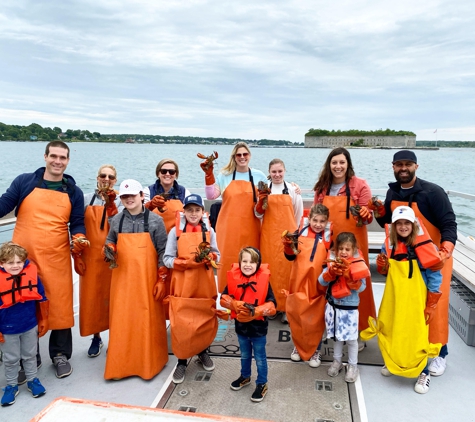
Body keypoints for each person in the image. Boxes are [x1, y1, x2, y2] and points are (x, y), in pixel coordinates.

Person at [0, 141, 86, 379]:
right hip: (21, 257)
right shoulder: (25, 181)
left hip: (57, 255)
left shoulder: (73, 192)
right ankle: (30, 357)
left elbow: (77, 221)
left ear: (68, 161)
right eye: (54, 156)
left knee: (59, 303)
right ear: (45, 156)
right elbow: (5, 203)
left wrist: (79, 237)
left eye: (63, 157)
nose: (58, 161)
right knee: (22, 302)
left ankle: (60, 355)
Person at [375, 150, 457, 377]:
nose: (403, 168)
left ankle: (439, 353)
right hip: (404, 264)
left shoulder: (434, 193)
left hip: (433, 262)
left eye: (408, 164)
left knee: (435, 310)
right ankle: (403, 353)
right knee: (403, 310)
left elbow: (449, 224)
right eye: (399, 164)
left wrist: (445, 251)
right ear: (393, 167)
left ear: (416, 167)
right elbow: (388, 222)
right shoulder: (392, 192)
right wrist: (379, 211)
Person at [363, 206, 443, 394]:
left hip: (417, 296)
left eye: (407, 223)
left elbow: (434, 273)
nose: (403, 227)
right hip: (395, 296)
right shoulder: (388, 244)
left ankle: (423, 372)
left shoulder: (425, 245)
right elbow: (388, 273)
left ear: (413, 225)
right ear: (394, 226)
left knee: (417, 333)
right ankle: (393, 362)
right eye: (399, 223)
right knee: (393, 328)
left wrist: (432, 301)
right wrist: (383, 269)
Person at [103, 179, 168, 380]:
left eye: (132, 195)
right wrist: (109, 249)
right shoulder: (116, 220)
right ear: (121, 199)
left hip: (147, 280)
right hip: (122, 280)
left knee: (147, 319)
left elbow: (162, 252)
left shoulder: (156, 221)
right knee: (122, 319)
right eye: (124, 196)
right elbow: (110, 241)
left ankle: (150, 364)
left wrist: (161, 280)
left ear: (142, 196)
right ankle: (120, 365)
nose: (129, 199)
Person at [313, 147, 376, 334]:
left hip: (354, 243)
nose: (338, 166)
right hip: (329, 242)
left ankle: (360, 328)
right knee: (328, 279)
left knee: (356, 282)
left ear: (348, 164)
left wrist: (366, 213)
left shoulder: (360, 185)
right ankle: (327, 324)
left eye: (342, 162)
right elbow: (317, 216)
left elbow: (369, 218)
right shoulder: (321, 187)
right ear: (329, 165)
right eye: (334, 162)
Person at [163, 194, 224, 384]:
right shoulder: (175, 232)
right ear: (184, 212)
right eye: (189, 210)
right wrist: (182, 263)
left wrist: (212, 259)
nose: (194, 213)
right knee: (181, 323)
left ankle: (202, 352)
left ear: (202, 211)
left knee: (204, 319)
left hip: (203, 284)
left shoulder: (209, 232)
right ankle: (182, 361)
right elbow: (167, 258)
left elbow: (217, 254)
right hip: (182, 284)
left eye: (197, 210)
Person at [201, 142, 268, 292]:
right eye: (239, 155)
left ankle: (250, 298)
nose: (242, 157)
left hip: (252, 227)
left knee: (251, 262)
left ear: (249, 156)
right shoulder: (224, 175)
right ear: (234, 157)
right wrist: (208, 175)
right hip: (228, 228)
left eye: (245, 154)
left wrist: (293, 188)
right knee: (227, 262)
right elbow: (211, 195)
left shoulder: (259, 176)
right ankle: (227, 298)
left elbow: (271, 193)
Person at [220, 247, 276, 403]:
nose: (248, 265)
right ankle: (245, 376)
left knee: (260, 358)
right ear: (239, 263)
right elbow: (223, 298)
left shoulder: (265, 282)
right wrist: (234, 304)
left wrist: (257, 312)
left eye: (252, 262)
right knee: (244, 355)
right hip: (241, 328)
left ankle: (262, 383)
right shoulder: (234, 279)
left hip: (258, 331)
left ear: (258, 264)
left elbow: (273, 306)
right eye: (244, 261)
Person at [79, 165, 122, 358]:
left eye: (110, 176)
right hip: (90, 256)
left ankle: (116, 337)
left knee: (116, 298)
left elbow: (121, 226)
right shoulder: (86, 199)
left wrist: (112, 205)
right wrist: (77, 253)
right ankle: (96, 337)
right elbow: (77, 223)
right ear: (97, 178)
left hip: (113, 255)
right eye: (103, 175)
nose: (106, 179)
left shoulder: (121, 200)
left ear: (115, 180)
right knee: (93, 298)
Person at [282, 204, 331, 367]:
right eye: (315, 220)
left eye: (322, 221)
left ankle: (316, 349)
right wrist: (287, 246)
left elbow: (331, 261)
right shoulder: (298, 233)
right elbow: (290, 257)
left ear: (327, 222)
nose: (318, 224)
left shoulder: (329, 238)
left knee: (316, 319)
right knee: (297, 315)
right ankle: (298, 346)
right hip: (298, 282)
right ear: (308, 219)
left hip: (318, 285)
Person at [0, 242, 49, 406]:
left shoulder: (32, 276)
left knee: (30, 355)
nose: (15, 266)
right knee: (11, 359)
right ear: (1, 263)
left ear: (24, 262)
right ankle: (11, 386)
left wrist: (44, 319)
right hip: (7, 330)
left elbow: (41, 297)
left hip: (29, 325)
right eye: (10, 262)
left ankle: (32, 380)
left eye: (19, 262)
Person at [255, 158, 303, 324]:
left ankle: (286, 307)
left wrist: (293, 234)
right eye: (274, 172)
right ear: (269, 172)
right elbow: (258, 214)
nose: (277, 175)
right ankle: (272, 305)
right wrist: (261, 199)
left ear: (285, 171)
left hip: (288, 237)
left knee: (288, 271)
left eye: (279, 171)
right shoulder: (264, 190)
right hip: (268, 236)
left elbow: (298, 213)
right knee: (270, 271)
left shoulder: (292, 190)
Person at [318, 232, 369, 383]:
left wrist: (350, 277)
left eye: (347, 249)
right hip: (333, 306)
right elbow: (321, 281)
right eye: (341, 249)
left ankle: (353, 366)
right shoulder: (331, 262)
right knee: (336, 337)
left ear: (354, 250)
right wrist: (331, 273)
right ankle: (337, 362)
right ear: (336, 249)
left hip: (350, 308)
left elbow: (362, 288)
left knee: (352, 339)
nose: (344, 252)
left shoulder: (359, 264)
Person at [144, 159, 191, 233]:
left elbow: (191, 214)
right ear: (158, 173)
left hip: (177, 235)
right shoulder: (148, 191)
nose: (168, 174)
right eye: (164, 171)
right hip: (153, 234)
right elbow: (141, 213)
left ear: (176, 174)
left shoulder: (185, 192)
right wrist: (151, 204)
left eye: (171, 172)